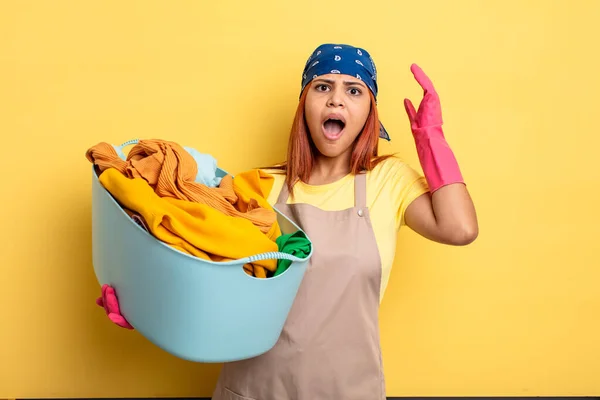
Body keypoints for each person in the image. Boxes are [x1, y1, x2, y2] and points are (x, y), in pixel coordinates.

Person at [212, 43, 478, 400]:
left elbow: (460, 229)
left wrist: (430, 137)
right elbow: (208, 281)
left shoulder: (389, 181)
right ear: (304, 103)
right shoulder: (257, 186)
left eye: (354, 91)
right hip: (254, 390)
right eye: (323, 87)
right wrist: (142, 304)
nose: (336, 101)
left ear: (370, 111)